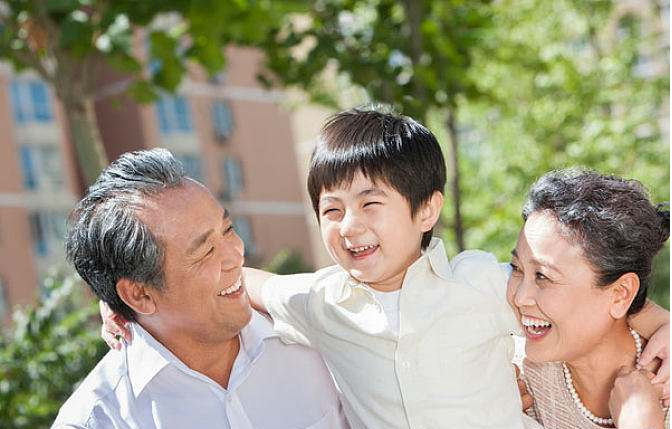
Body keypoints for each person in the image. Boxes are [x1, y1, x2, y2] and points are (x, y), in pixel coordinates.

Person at [103, 107, 669, 428]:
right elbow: (249, 282)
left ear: (427, 210)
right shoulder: (321, 303)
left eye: (371, 204)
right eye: (331, 210)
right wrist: (130, 299)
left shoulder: (479, 283)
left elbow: (575, 299)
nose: (349, 225)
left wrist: (662, 324)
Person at [52, 149, 348, 429]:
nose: (236, 255)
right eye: (206, 251)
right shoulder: (98, 420)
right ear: (139, 294)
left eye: (228, 230)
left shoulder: (316, 331)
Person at [508, 170, 669, 428]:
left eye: (542, 276)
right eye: (516, 268)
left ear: (620, 294)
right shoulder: (510, 377)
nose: (519, 297)